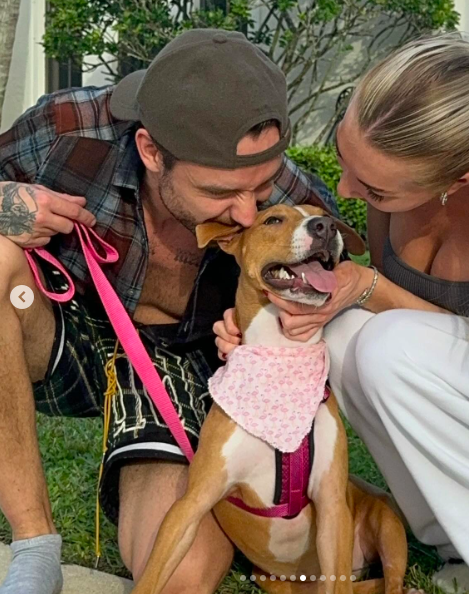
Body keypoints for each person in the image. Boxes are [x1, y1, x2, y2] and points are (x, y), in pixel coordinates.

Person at [214, 34, 469, 594]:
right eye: (346, 163)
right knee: (345, 331)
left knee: (390, 341)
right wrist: (264, 336)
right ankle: (458, 539)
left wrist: (367, 285)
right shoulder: (397, 187)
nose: (345, 190)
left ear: (458, 181)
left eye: (371, 188)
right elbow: (413, 332)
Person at [0, 28, 337, 594]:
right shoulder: (67, 131)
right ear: (152, 151)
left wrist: (309, 310)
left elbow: (349, 273)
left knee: (177, 573)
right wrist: (8, 205)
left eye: (262, 185)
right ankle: (35, 548)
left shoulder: (282, 192)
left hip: (190, 366)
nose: (249, 213)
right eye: (220, 191)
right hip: (76, 336)